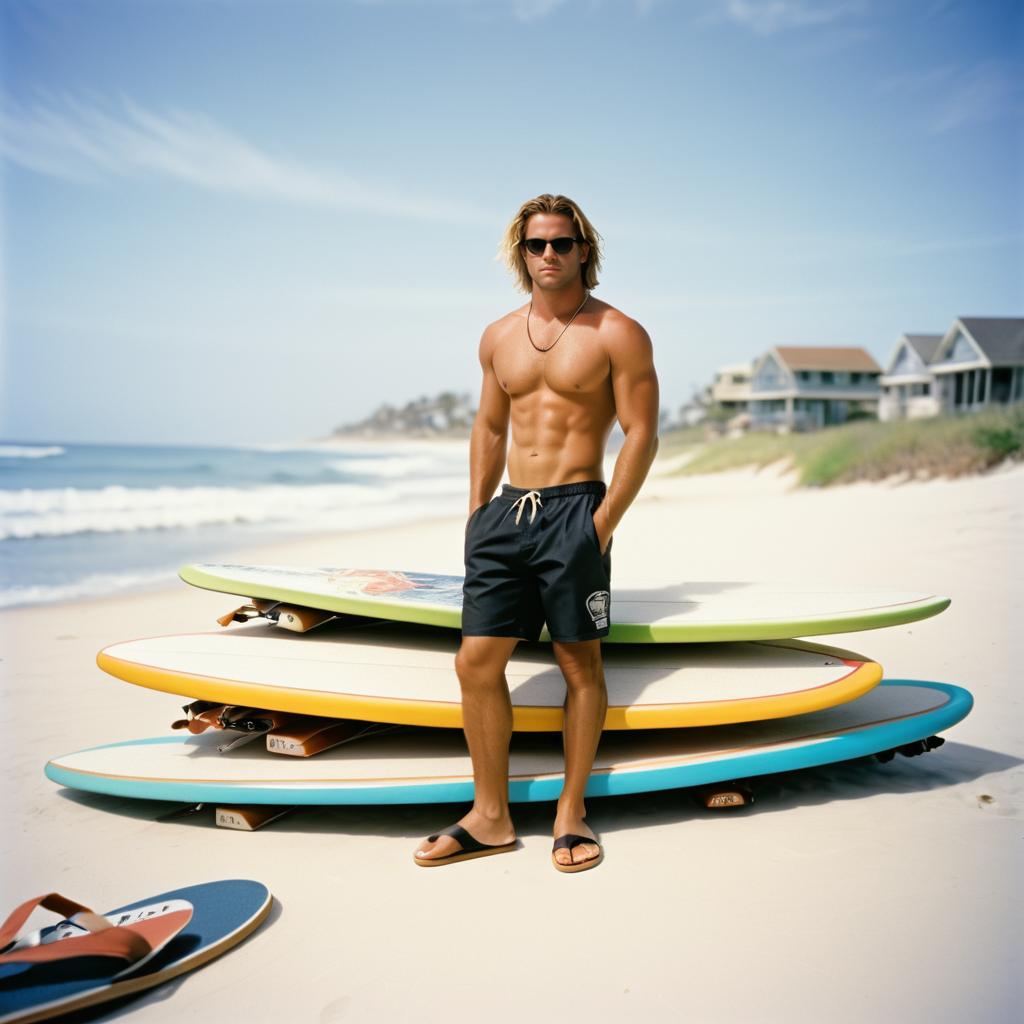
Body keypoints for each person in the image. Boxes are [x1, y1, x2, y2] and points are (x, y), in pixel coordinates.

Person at [414, 194, 660, 872]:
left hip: (575, 511)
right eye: (535, 244)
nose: (548, 254)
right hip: (507, 513)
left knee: (579, 664)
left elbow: (642, 432)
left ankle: (571, 811)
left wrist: (602, 523)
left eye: (561, 242)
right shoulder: (497, 335)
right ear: (519, 253)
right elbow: (489, 426)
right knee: (476, 662)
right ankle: (490, 816)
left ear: (585, 249)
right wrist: (475, 512)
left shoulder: (618, 332)